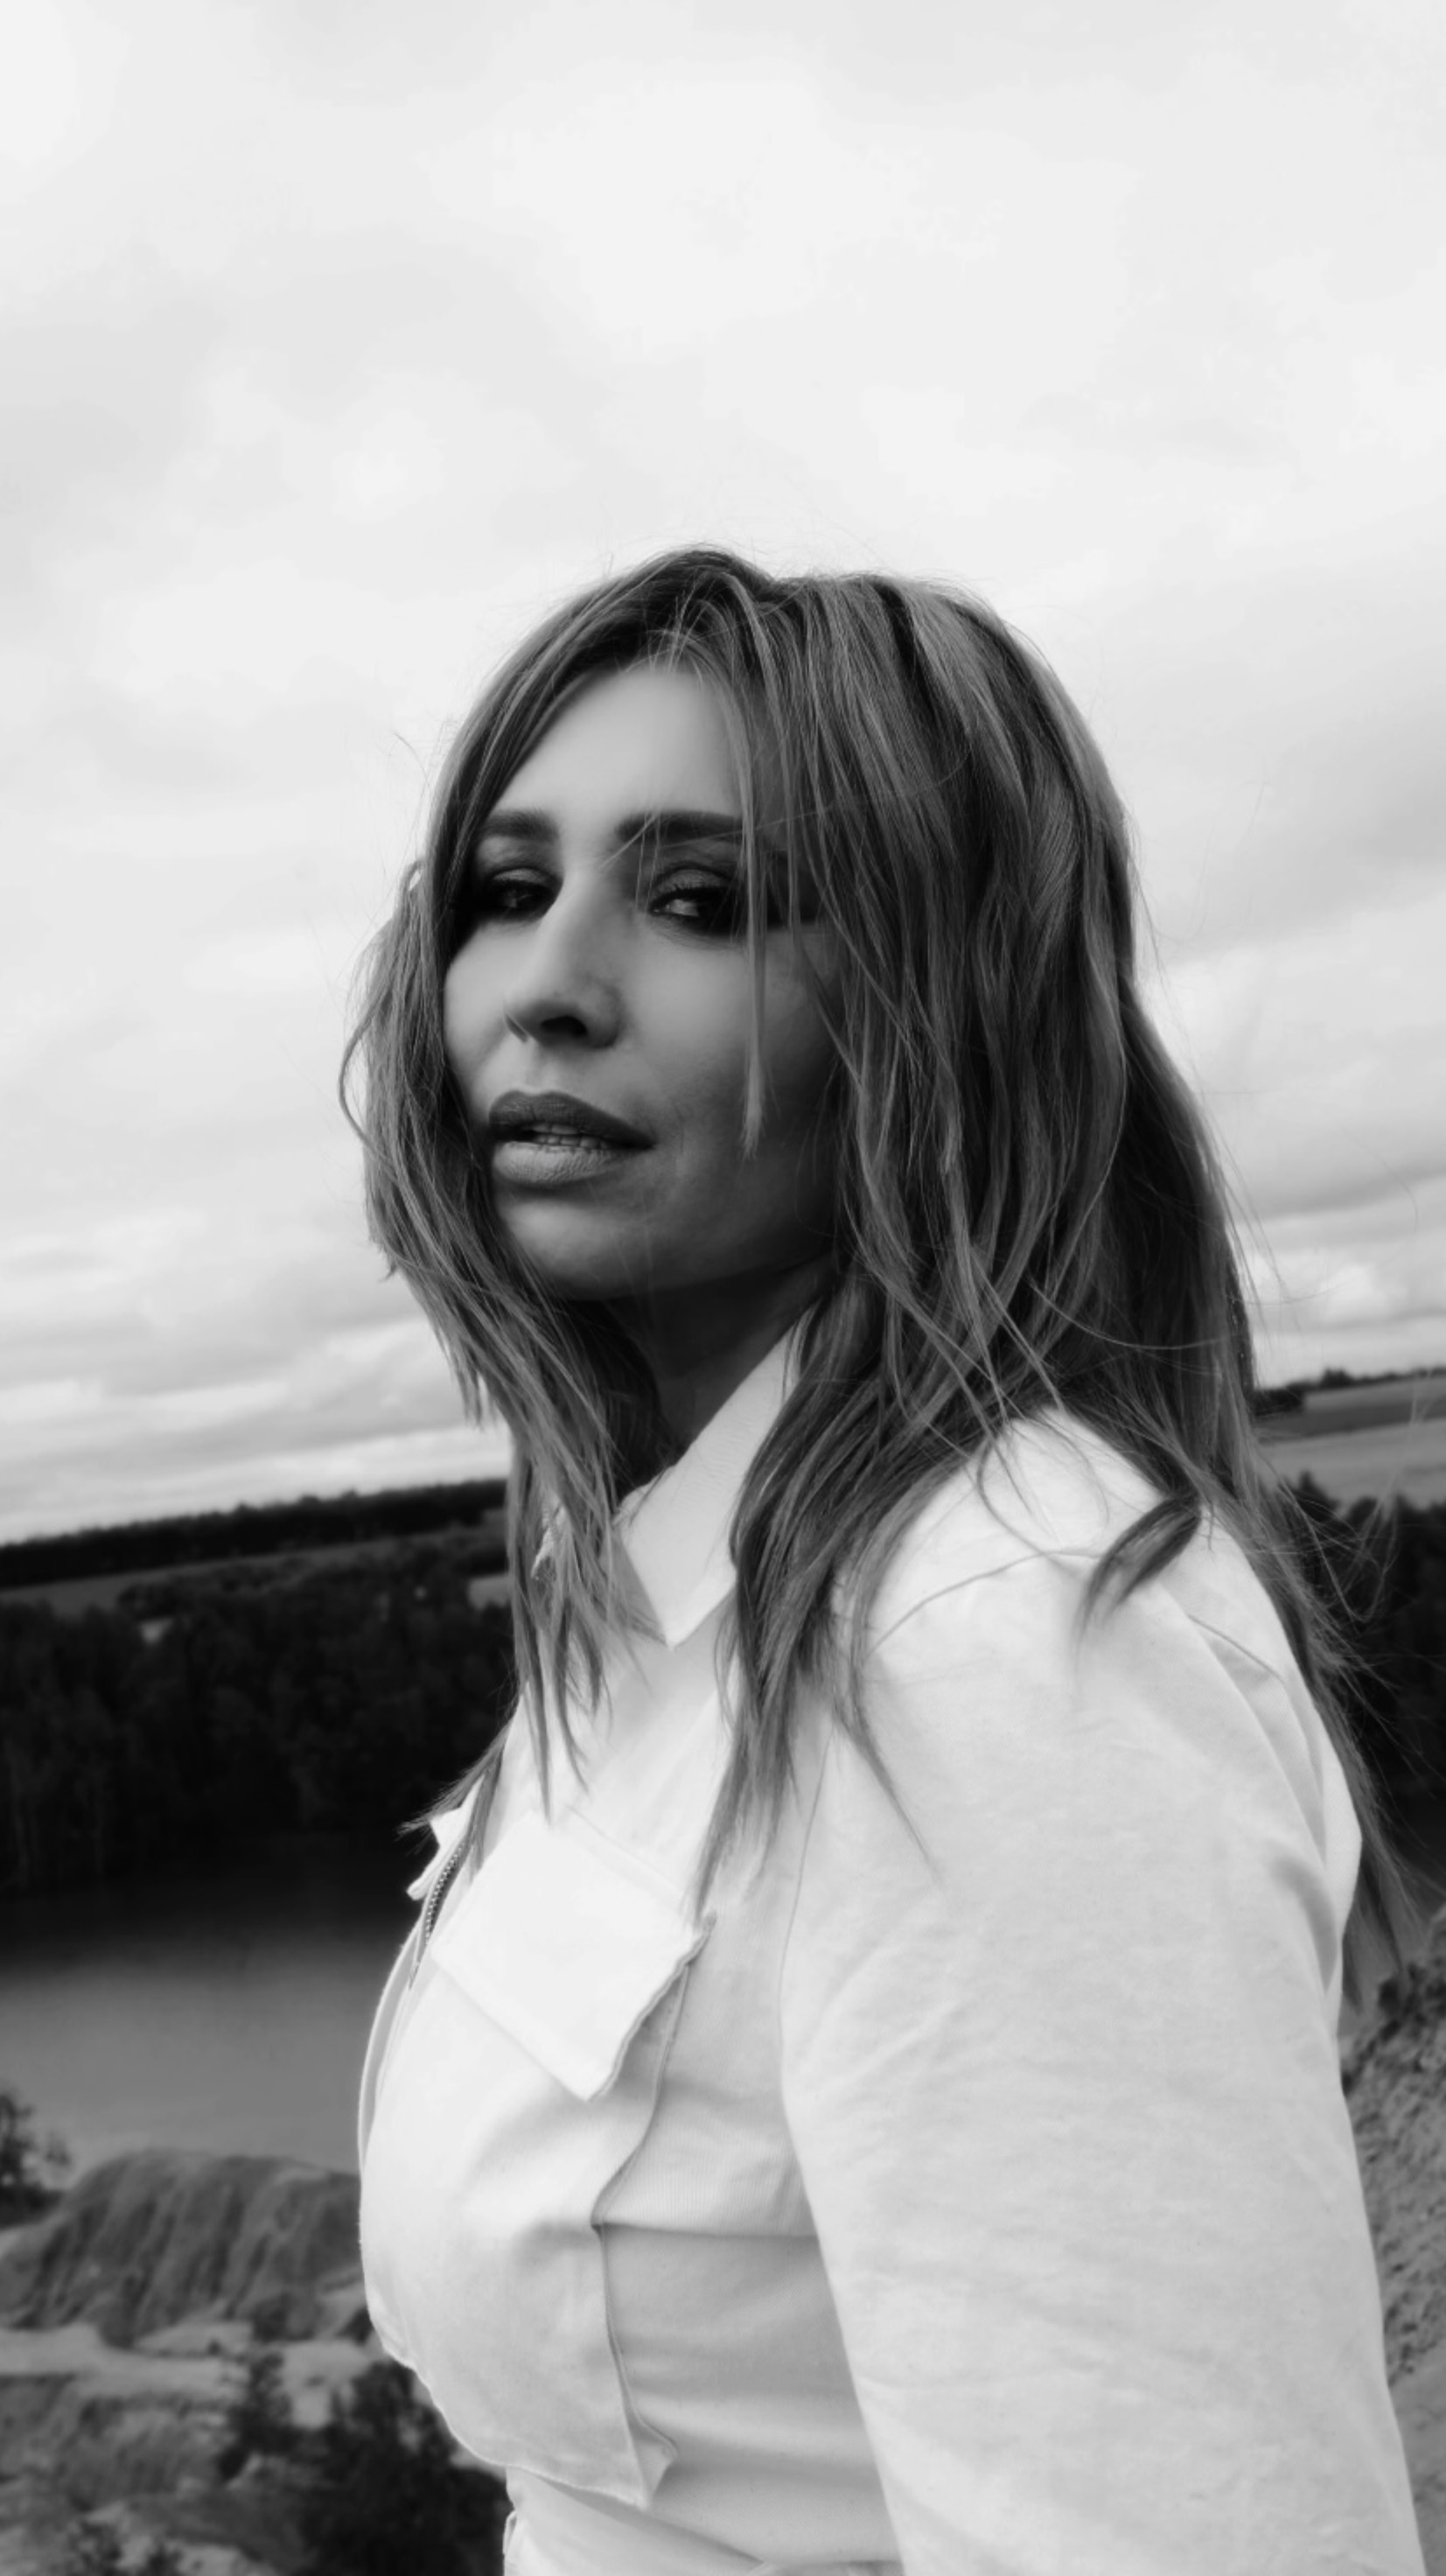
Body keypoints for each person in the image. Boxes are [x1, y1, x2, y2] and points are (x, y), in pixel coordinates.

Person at [345, 548, 1427, 2576]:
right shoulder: (670, 1592)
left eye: (699, 900)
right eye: (504, 887)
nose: (544, 984)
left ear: (937, 1006)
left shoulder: (991, 1641)